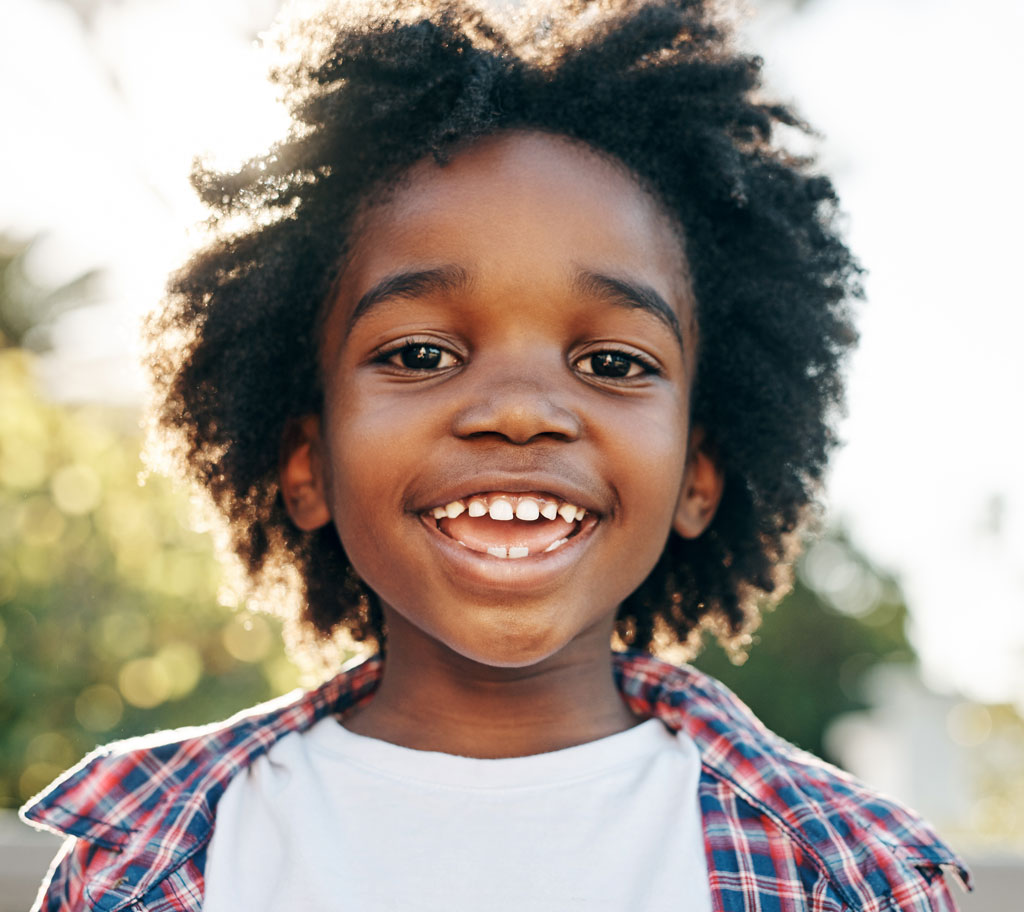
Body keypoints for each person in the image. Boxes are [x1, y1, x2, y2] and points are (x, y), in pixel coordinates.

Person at [21, 0, 970, 909]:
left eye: (611, 361)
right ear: (306, 463)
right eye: (420, 353)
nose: (520, 412)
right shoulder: (153, 860)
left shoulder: (847, 876)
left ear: (697, 476)